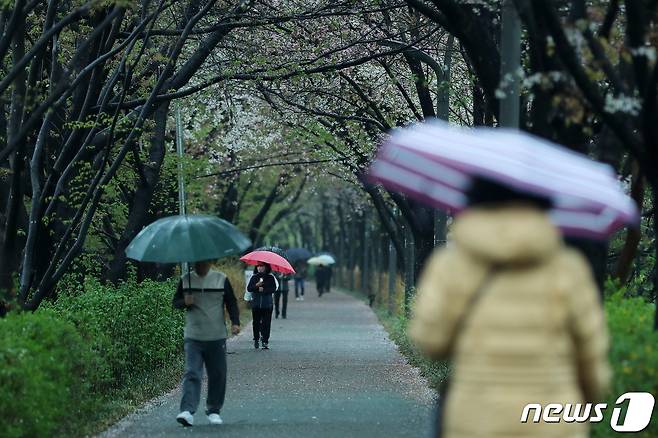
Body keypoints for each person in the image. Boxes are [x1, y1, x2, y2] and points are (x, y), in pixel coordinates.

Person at [409, 177, 611, 438]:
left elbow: (430, 342)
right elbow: (591, 356)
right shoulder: (568, 268)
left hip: (476, 419)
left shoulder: (451, 265)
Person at [172, 260, 241, 427]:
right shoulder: (186, 279)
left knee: (218, 374)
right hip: (193, 335)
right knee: (192, 372)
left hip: (216, 335)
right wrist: (184, 302)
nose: (200, 265)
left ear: (210, 263)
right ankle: (187, 410)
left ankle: (214, 410)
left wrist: (235, 322)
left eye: (204, 262)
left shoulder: (220, 279)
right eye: (197, 263)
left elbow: (231, 302)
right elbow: (175, 302)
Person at [247, 262, 277, 349]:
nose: (260, 268)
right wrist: (257, 286)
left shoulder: (270, 277)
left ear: (266, 267)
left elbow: (273, 289)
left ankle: (265, 341)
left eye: (262, 266)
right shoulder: (254, 277)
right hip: (256, 304)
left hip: (267, 304)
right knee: (256, 323)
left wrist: (263, 289)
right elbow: (249, 288)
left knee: (266, 323)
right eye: (258, 266)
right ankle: (256, 339)